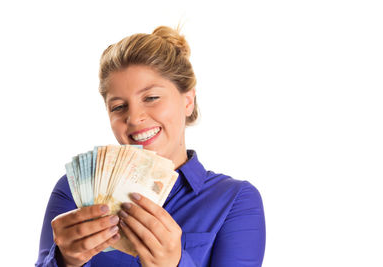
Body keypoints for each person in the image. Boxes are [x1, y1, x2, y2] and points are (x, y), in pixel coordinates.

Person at [36, 26, 266, 267]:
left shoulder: (235, 200)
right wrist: (64, 261)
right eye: (118, 107)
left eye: (151, 98)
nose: (134, 118)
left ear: (187, 101)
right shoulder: (74, 191)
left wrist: (175, 263)